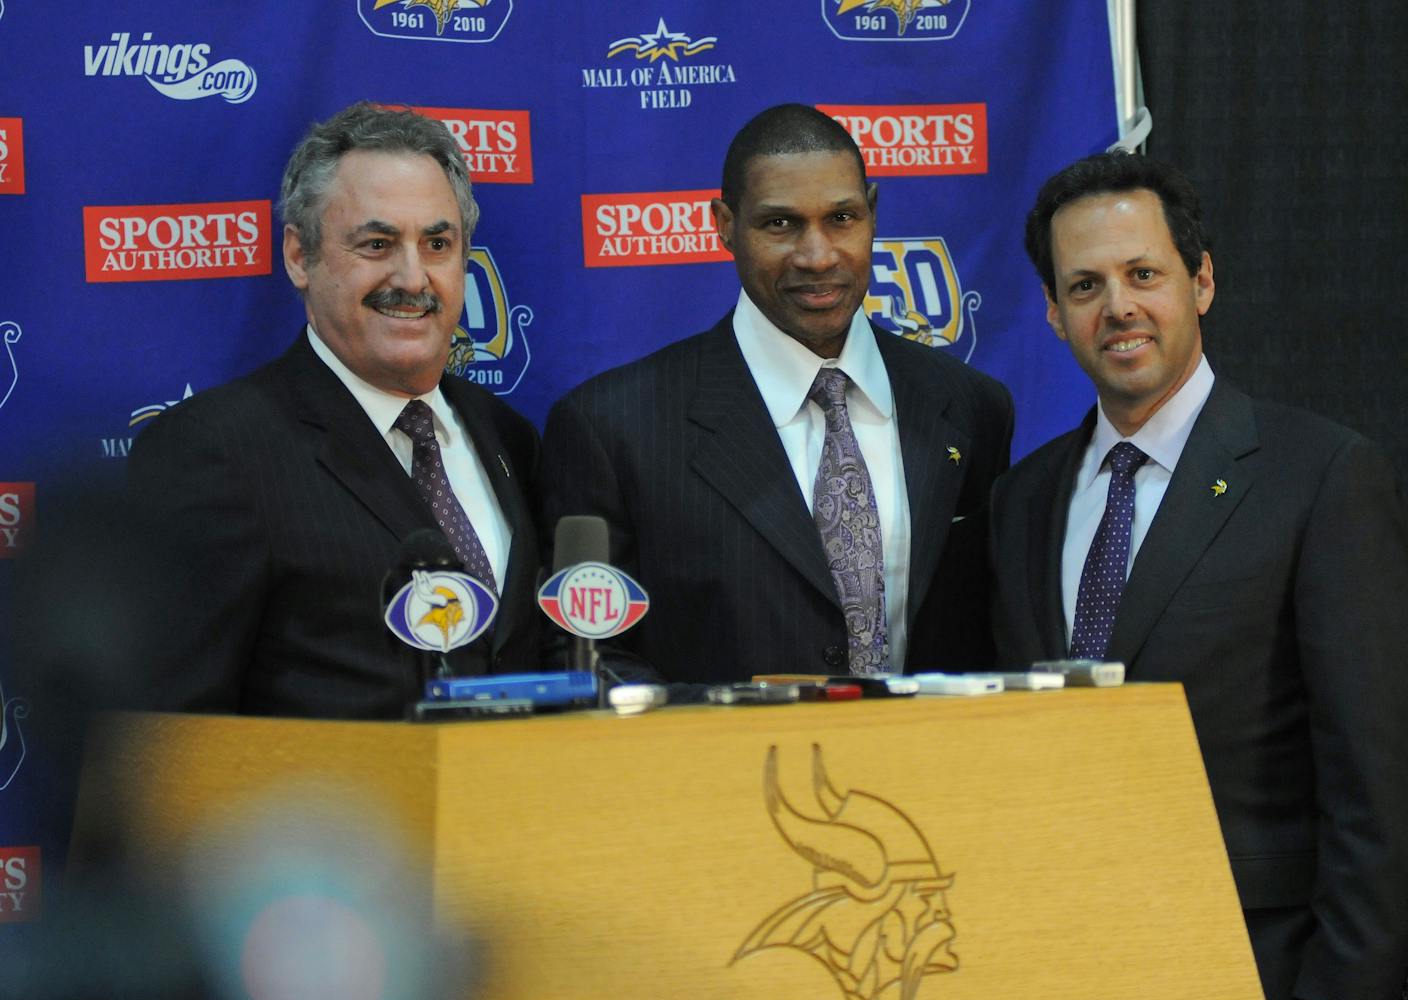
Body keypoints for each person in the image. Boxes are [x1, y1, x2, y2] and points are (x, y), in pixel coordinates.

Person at [991, 150, 1408, 1000]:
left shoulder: (1322, 476)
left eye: (1144, 274)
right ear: (1052, 312)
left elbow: (1377, 776)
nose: (1118, 307)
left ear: (1202, 282)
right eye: (1085, 285)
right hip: (1065, 985)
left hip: (1263, 986)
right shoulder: (1020, 501)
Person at [540, 103, 1013, 686]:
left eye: (842, 218)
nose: (817, 256)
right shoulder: (613, 427)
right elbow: (591, 660)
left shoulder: (971, 407)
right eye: (780, 224)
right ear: (723, 225)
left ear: (872, 211)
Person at [126, 103, 542, 718]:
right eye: (377, 244)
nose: (413, 276)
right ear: (300, 256)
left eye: (437, 243)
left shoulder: (509, 436)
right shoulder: (213, 452)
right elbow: (172, 732)